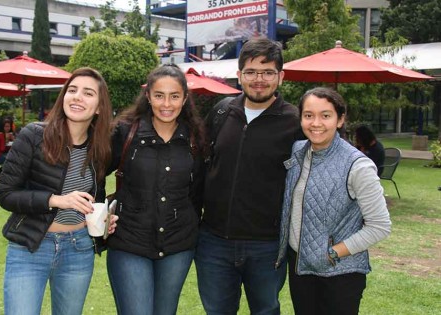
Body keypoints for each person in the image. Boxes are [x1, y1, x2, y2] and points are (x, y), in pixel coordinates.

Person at [0, 67, 118, 315]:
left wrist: (104, 222)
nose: (77, 97)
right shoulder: (33, 136)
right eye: (72, 90)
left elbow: (96, 199)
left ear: (100, 107)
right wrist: (56, 200)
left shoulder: (100, 149)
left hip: (79, 249)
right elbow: (5, 193)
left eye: (88, 93)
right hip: (30, 247)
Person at [196, 37, 301, 315]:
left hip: (267, 246)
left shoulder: (295, 121)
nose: (259, 79)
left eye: (268, 72)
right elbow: (199, 166)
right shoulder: (221, 112)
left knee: (266, 310)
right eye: (252, 72)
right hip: (214, 242)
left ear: (281, 76)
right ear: (239, 74)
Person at [276, 87, 392, 315]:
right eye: (308, 115)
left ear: (340, 120)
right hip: (300, 269)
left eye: (325, 115)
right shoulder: (298, 152)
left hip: (340, 273)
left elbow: (380, 226)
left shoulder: (357, 165)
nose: (316, 123)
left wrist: (332, 253)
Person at [106, 64, 207, 315]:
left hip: (177, 246)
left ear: (184, 98)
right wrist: (99, 212)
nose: (166, 104)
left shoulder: (195, 137)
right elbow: (94, 174)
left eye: (174, 96)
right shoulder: (125, 132)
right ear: (148, 96)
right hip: (129, 242)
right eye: (159, 95)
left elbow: (197, 191)